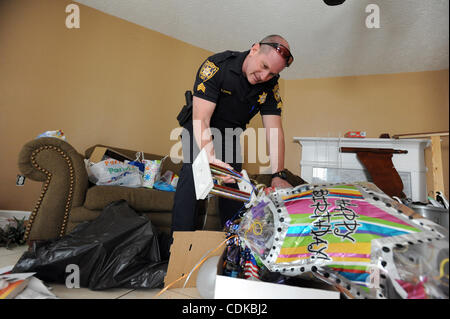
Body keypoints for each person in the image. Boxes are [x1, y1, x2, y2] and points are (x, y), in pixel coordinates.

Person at [171, 34, 294, 232]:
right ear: (254, 49)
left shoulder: (271, 87)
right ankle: (177, 248)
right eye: (263, 66)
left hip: (230, 135)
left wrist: (278, 174)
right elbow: (201, 119)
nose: (264, 77)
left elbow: (274, 130)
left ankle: (232, 246)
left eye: (272, 73)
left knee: (234, 188)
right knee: (193, 177)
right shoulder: (216, 66)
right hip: (201, 126)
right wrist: (210, 159)